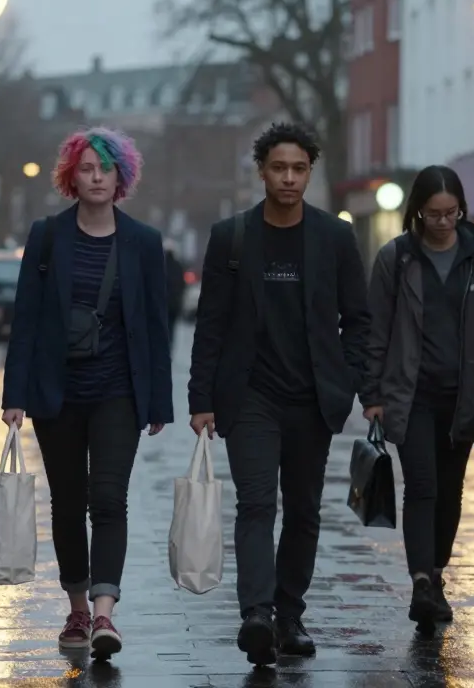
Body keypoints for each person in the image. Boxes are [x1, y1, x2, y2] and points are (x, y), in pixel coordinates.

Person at [188, 122, 373, 666]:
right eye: (278, 168)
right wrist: (202, 398)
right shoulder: (233, 237)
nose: (289, 178)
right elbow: (211, 325)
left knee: (305, 511)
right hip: (249, 398)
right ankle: (258, 614)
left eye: (298, 169)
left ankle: (290, 615)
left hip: (312, 400)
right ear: (262, 171)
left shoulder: (334, 237)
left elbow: (358, 320)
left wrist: (347, 376)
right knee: (256, 503)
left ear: (310, 172)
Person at [1, 126, 173, 660]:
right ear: (71, 176)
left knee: (108, 498)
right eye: (86, 168)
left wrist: (159, 402)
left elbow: (153, 323)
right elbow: (25, 318)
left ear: (122, 176)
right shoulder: (48, 236)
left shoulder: (142, 242)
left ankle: (104, 613)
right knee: (69, 501)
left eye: (105, 168)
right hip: (58, 393)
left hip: (118, 390)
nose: (96, 177)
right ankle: (76, 605)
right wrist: (14, 394)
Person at [362, 165, 474, 631]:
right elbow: (375, 328)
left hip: (463, 395)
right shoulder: (396, 258)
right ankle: (421, 582)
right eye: (433, 214)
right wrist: (373, 393)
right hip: (410, 392)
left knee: (452, 490)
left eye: (451, 213)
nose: (443, 222)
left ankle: (436, 575)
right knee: (422, 486)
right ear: (417, 211)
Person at [163, 239, 186, 350]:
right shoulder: (178, 266)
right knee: (171, 327)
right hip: (174, 304)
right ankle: (169, 345)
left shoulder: (160, 265)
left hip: (162, 303)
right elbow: (182, 285)